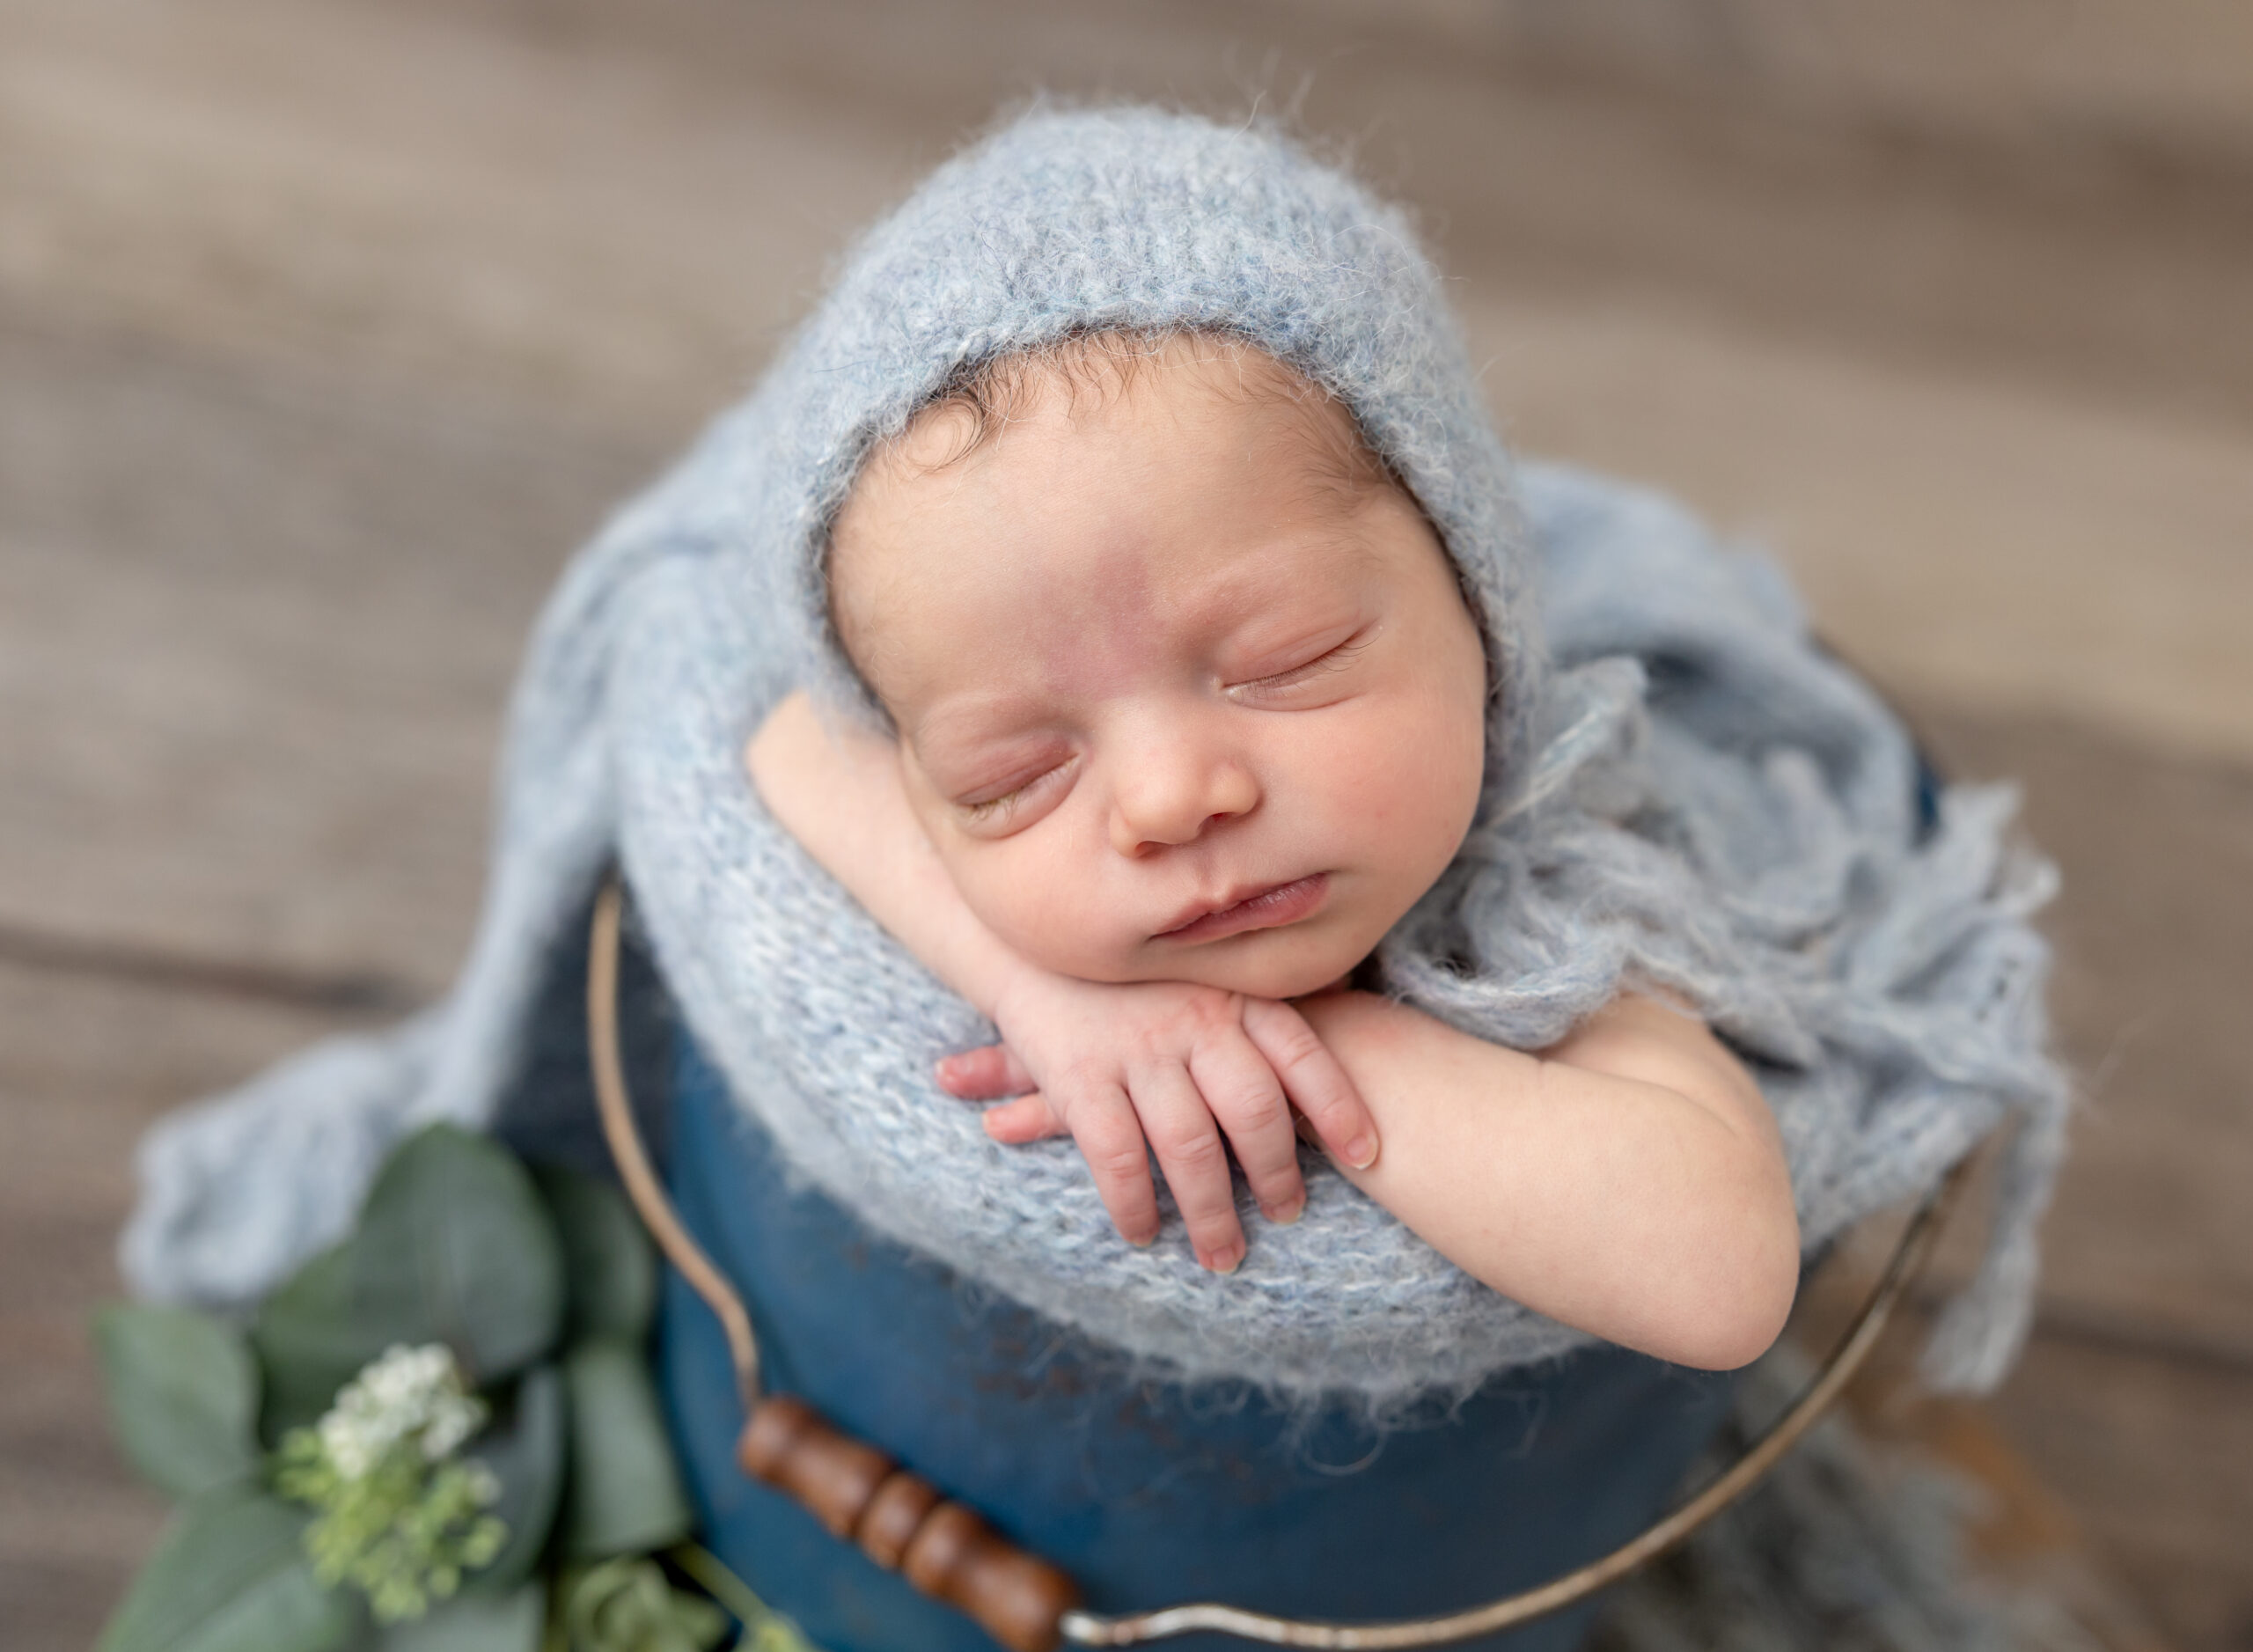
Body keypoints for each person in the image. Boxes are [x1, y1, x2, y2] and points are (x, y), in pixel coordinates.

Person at [745, 331, 1800, 1370]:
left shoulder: (1551, 883)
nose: (1167, 800)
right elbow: (797, 739)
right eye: (1012, 776)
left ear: (1480, 608)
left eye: (1285, 662)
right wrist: (1042, 991)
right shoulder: (910, 750)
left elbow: (1718, 1280)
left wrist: (1287, 1045)